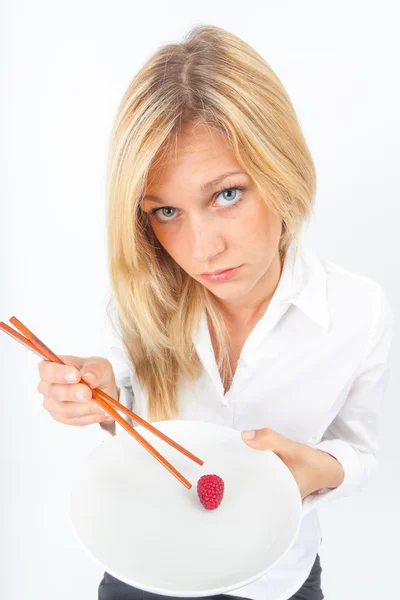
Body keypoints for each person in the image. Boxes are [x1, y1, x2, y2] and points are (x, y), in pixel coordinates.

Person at [36, 24, 394, 600]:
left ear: (282, 168)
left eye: (226, 194)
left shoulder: (359, 312)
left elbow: (359, 449)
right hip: (145, 566)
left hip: (278, 579)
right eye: (167, 212)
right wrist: (97, 399)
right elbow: (126, 417)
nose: (202, 249)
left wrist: (320, 469)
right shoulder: (141, 299)